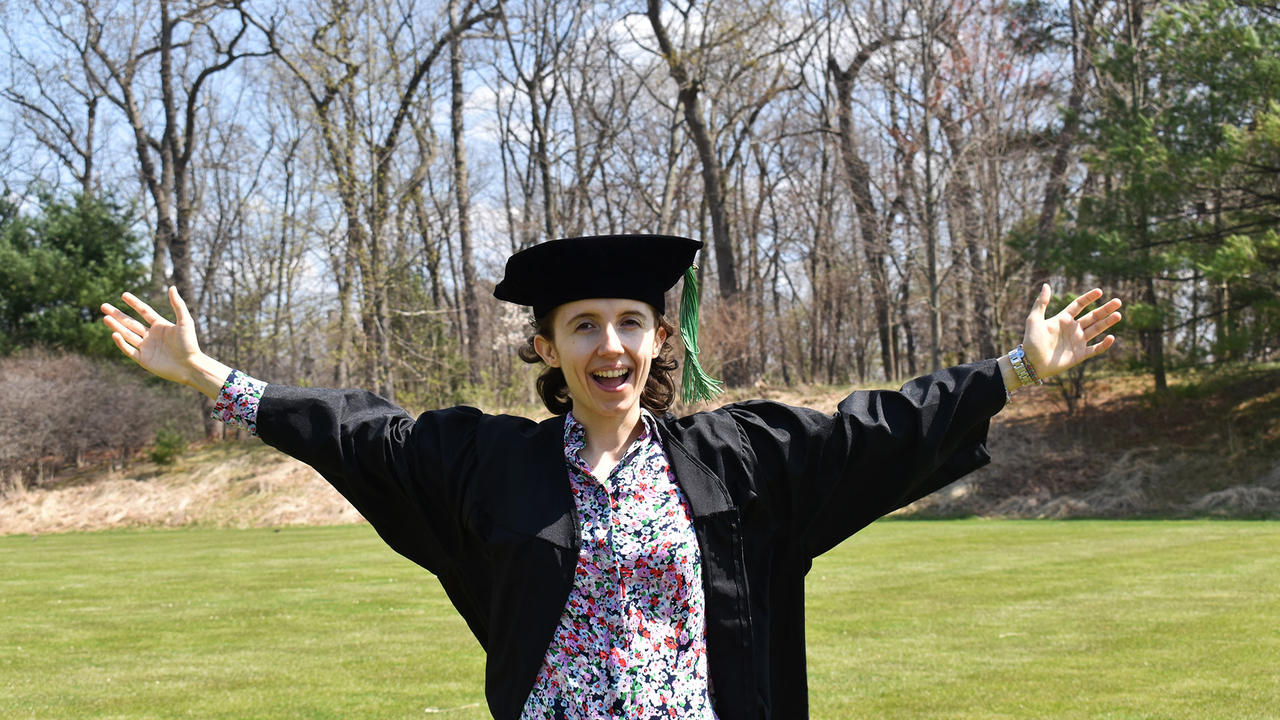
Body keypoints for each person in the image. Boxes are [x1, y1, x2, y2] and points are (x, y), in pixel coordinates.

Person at [100, 234, 1121, 720]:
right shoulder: (485, 465)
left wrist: (1015, 368)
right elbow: (355, 433)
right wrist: (207, 375)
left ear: (656, 338)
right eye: (582, 325)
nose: (610, 343)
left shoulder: (738, 461)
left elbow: (875, 431)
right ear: (545, 347)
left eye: (629, 322)